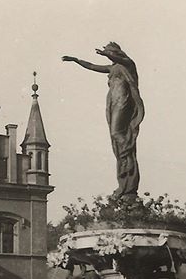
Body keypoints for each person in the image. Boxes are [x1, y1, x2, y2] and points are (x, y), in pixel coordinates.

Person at [62, 42, 145, 198]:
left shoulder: (128, 65)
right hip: (113, 101)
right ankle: (124, 155)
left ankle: (126, 150)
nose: (108, 55)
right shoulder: (112, 68)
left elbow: (120, 59)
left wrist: (106, 53)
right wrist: (76, 60)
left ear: (116, 53)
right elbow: (92, 66)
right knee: (115, 134)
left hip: (123, 100)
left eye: (110, 53)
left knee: (116, 132)